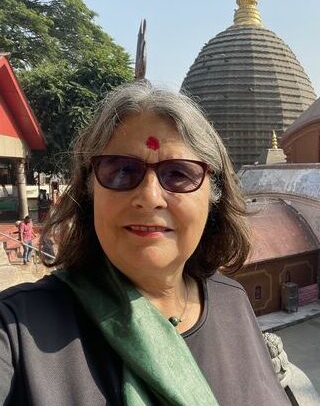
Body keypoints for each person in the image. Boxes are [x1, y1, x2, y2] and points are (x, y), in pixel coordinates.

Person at [0, 82, 290, 405]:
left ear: (214, 196)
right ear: (89, 191)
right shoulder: (18, 330)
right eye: (122, 170)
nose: (150, 198)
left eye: (179, 174)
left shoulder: (233, 301)